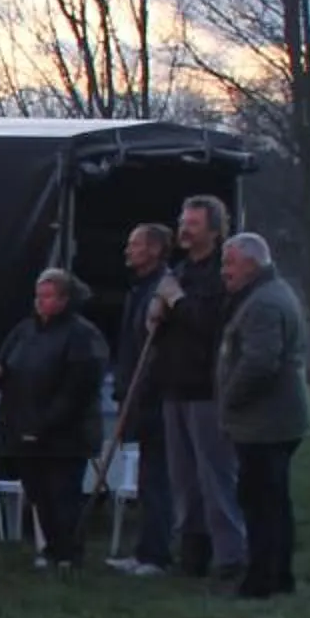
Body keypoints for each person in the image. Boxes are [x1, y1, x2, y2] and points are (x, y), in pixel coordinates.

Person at [0, 269, 112, 569]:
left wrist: (47, 422)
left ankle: (70, 552)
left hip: (66, 434)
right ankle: (50, 549)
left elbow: (79, 386)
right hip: (24, 427)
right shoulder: (24, 330)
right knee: (38, 493)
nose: (40, 302)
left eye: (47, 297)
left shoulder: (82, 334)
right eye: (38, 296)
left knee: (62, 493)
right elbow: (4, 360)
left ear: (65, 299)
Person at [153, 196, 247, 583]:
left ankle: (231, 557)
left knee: (216, 476)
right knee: (184, 479)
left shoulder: (219, 275)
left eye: (192, 223)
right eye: (182, 220)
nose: (184, 228)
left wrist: (178, 301)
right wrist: (157, 312)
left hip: (207, 388)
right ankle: (192, 554)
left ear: (213, 229)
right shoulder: (180, 270)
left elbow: (210, 324)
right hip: (174, 385)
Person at [217, 231, 310, 598]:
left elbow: (259, 362)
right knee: (273, 501)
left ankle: (260, 582)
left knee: (260, 503)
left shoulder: (263, 304)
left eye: (229, 263)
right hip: (276, 419)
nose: (224, 271)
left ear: (251, 264)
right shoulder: (270, 294)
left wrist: (229, 398)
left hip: (266, 422)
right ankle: (280, 576)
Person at [107, 223, 176, 575]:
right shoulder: (139, 290)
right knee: (148, 478)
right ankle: (145, 550)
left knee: (158, 478)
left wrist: (144, 392)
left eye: (135, 245)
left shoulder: (165, 288)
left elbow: (159, 348)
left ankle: (157, 555)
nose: (128, 250)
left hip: (156, 398)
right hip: (137, 396)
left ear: (153, 250)